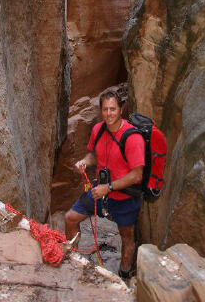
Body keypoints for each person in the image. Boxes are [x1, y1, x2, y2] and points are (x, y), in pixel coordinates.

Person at [65, 90, 145, 280]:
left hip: (124, 197)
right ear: (100, 110)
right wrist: (85, 162)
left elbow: (136, 175)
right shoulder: (98, 130)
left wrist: (108, 187)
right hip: (99, 193)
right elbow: (93, 154)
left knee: (126, 236)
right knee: (70, 218)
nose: (109, 114)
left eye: (113, 109)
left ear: (120, 110)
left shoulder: (133, 139)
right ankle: (72, 262)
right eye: (105, 109)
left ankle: (124, 275)